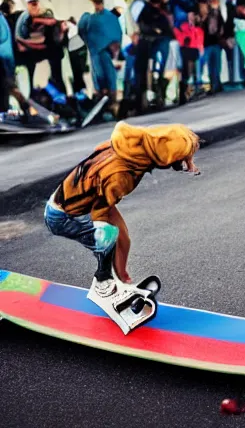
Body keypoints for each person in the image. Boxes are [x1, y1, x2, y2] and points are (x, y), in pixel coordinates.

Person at [43, 121, 201, 332]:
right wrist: (104, 247)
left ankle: (120, 280)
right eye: (181, 159)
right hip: (64, 215)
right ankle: (103, 285)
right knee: (108, 234)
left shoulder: (132, 145)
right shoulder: (121, 176)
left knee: (123, 237)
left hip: (86, 199)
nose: (183, 162)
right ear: (165, 157)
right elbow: (99, 215)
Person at [14, 0, 68, 94]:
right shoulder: (25, 19)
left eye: (36, 3)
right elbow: (21, 44)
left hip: (47, 52)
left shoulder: (46, 15)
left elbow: (55, 37)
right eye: (32, 4)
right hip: (31, 54)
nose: (35, 7)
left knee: (56, 75)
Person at [78, 0, 123, 106]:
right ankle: (105, 101)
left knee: (105, 77)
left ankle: (109, 102)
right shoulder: (90, 18)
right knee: (101, 76)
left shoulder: (104, 17)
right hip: (97, 53)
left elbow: (116, 38)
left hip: (102, 53)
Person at [200, 0, 225, 94]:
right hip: (207, 43)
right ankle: (212, 85)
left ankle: (216, 85)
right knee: (209, 65)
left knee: (216, 66)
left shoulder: (219, 14)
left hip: (216, 43)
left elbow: (221, 28)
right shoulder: (207, 14)